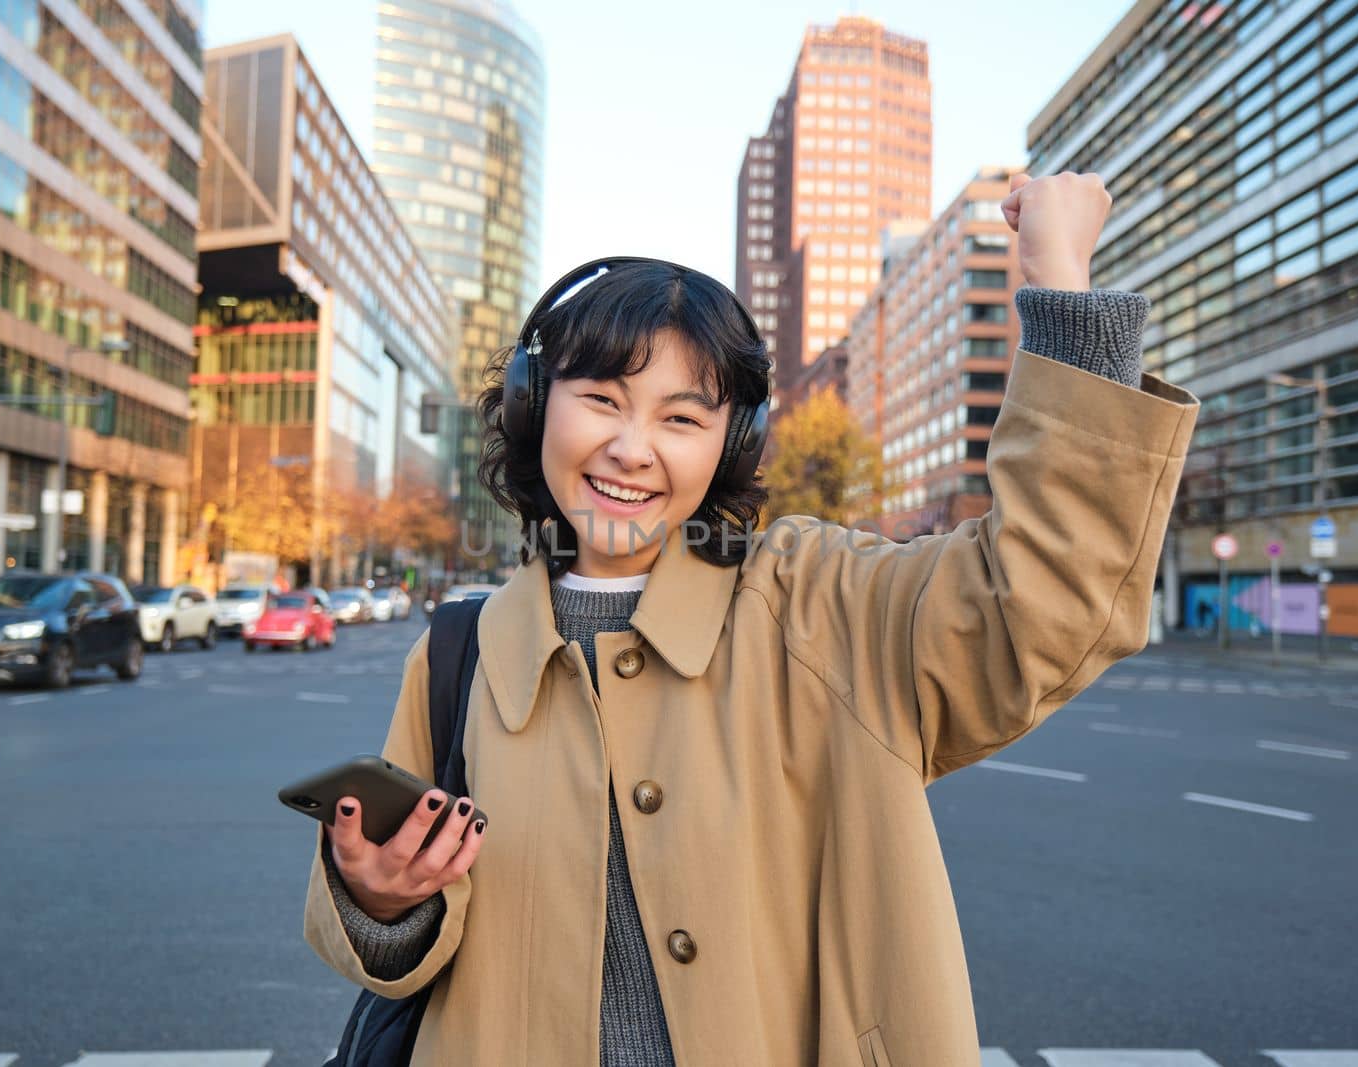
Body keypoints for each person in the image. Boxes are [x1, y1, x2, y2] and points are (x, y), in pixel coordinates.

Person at [303, 172, 1199, 1064]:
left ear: (730, 442)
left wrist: (1062, 291)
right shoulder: (461, 653)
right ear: (538, 406)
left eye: (681, 417)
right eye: (603, 400)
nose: (632, 446)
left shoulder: (821, 604)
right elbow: (411, 935)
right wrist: (384, 902)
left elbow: (1044, 602)